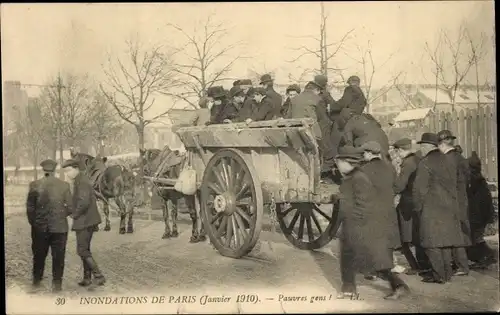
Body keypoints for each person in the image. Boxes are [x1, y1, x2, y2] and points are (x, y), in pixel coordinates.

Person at [335, 146, 410, 300]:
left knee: (365, 259)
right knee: (363, 260)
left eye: (339, 162)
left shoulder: (358, 177)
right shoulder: (353, 177)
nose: (337, 165)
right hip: (358, 224)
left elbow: (365, 203)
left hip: (359, 225)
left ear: (346, 162)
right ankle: (349, 288)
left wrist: (355, 222)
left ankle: (399, 286)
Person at [412, 133, 465, 284]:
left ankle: (439, 275)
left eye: (422, 145)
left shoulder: (425, 162)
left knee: (432, 242)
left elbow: (419, 189)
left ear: (428, 146)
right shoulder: (449, 160)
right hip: (449, 206)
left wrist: (417, 208)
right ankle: (447, 274)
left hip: (431, 207)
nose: (421, 149)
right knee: (445, 242)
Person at [27, 159, 72, 292]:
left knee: (39, 255)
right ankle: (57, 285)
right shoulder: (64, 185)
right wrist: (59, 216)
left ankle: (36, 282)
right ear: (54, 170)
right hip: (59, 228)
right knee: (59, 257)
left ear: (43, 170)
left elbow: (30, 208)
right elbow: (70, 207)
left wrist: (34, 223)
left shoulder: (34, 185)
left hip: (40, 228)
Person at [62, 159, 106, 288]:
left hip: (85, 221)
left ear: (76, 168)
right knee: (84, 250)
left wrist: (74, 214)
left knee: (82, 250)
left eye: (69, 170)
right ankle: (87, 278)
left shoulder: (81, 181)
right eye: (65, 171)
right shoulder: (81, 180)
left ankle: (99, 276)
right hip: (88, 220)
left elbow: (84, 202)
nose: (67, 174)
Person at [392, 138, 430, 275]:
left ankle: (416, 266)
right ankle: (423, 265)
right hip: (418, 202)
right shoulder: (417, 160)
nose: (397, 155)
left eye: (397, 151)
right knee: (416, 235)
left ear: (401, 150)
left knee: (405, 237)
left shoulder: (407, 163)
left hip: (408, 203)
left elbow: (399, 185)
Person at [437, 130, 472, 276]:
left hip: (451, 200)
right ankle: (461, 264)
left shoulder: (447, 159)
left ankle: (461, 266)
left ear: (442, 144)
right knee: (459, 231)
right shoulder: (459, 157)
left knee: (453, 232)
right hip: (461, 199)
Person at [466, 151, 497, 269]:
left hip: (477, 216)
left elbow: (474, 201)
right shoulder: (479, 180)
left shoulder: (474, 181)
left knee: (476, 238)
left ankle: (489, 256)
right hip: (481, 215)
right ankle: (486, 257)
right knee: (476, 238)